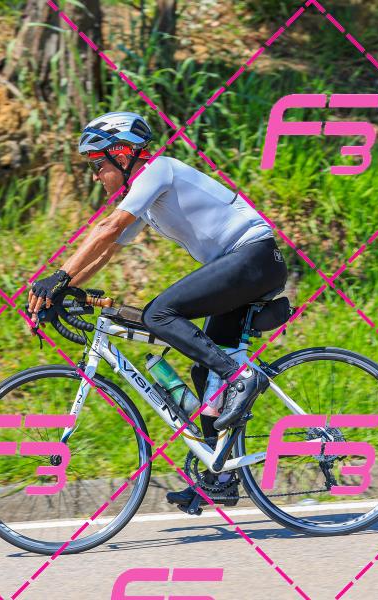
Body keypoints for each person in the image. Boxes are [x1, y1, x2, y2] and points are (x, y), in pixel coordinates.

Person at [27, 111, 288, 508]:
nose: (96, 177)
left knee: (158, 314)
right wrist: (60, 291)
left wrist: (59, 275)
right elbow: (107, 252)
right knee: (205, 368)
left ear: (122, 155)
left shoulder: (158, 170)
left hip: (253, 257)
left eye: (98, 165)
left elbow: (108, 228)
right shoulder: (147, 199)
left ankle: (242, 378)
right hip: (244, 266)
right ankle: (221, 476)